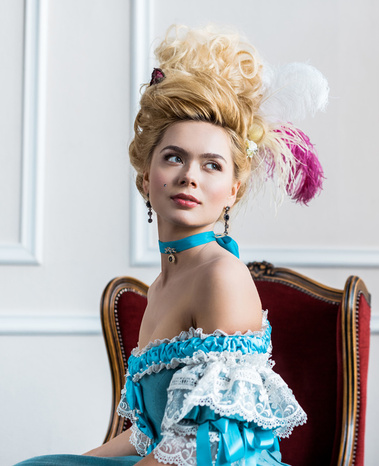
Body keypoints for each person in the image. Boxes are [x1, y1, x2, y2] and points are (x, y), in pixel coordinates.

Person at [17, 24, 328, 466]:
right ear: (147, 177)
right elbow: (151, 435)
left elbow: (215, 444)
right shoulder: (162, 285)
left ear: (233, 191)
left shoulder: (222, 276)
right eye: (174, 157)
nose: (190, 176)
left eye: (212, 165)